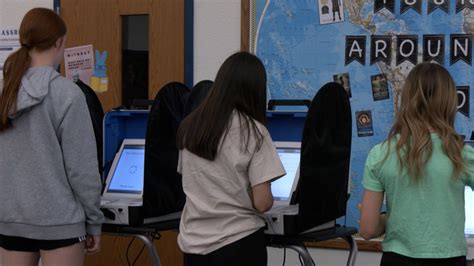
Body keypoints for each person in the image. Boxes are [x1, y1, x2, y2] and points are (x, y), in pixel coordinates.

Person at [0, 8, 104, 266]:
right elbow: (81, 169)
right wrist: (94, 221)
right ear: (59, 42)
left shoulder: (5, 94)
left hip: (12, 220)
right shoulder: (67, 94)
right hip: (60, 222)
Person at [176, 51, 285, 266]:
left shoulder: (190, 127)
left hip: (193, 244)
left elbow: (188, 179)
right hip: (238, 242)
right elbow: (262, 203)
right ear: (254, 90)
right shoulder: (254, 131)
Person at [360, 62, 473, 266]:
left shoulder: (381, 154)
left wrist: (388, 220)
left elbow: (367, 230)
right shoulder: (462, 155)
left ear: (407, 100)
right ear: (449, 102)